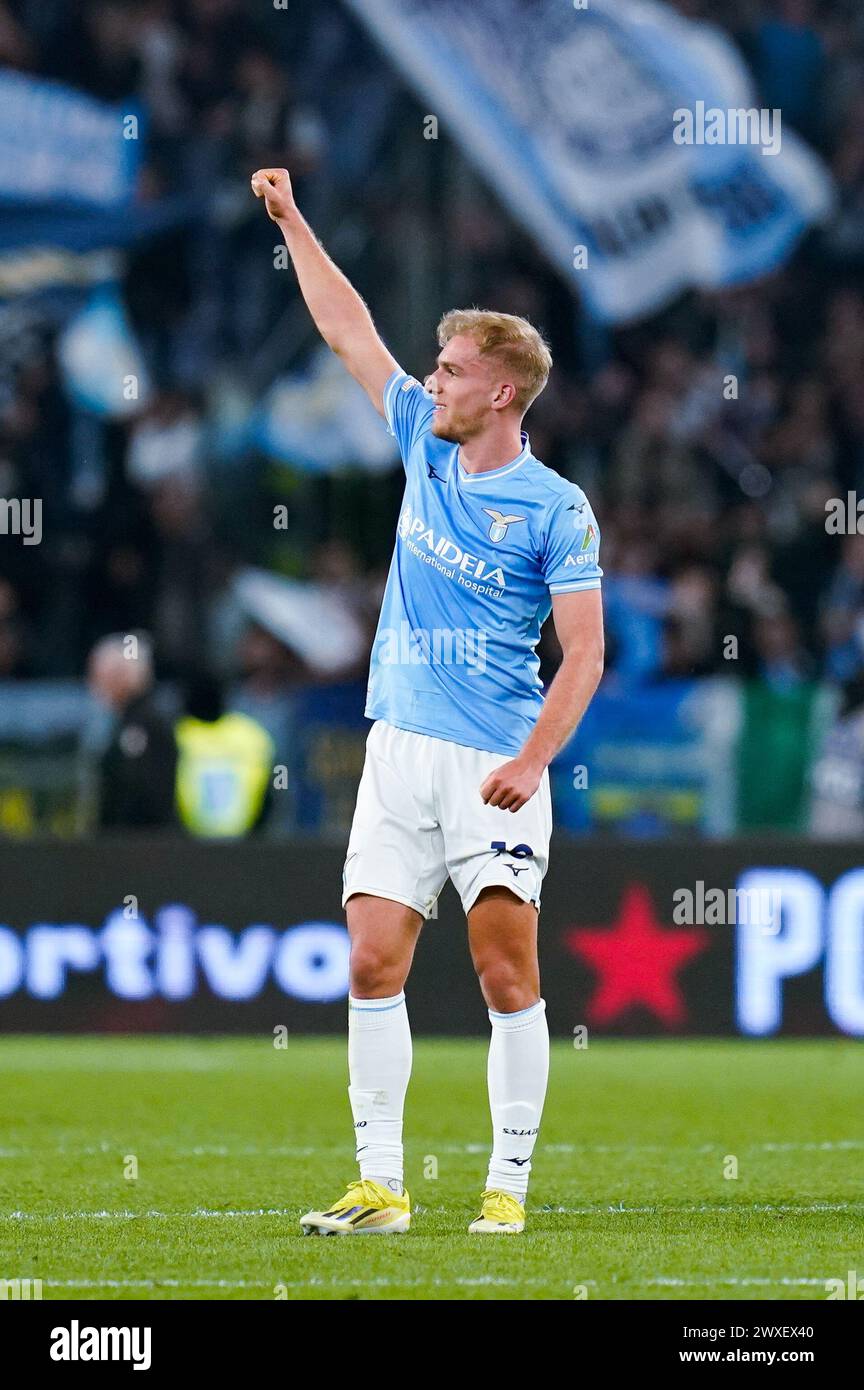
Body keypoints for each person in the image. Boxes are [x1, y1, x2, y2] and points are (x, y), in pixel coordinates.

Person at [252, 166, 604, 1235]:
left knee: (505, 973)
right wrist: (293, 219)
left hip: (493, 760)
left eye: (451, 371)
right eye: (437, 368)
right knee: (369, 956)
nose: (432, 381)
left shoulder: (556, 507)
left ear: (502, 392)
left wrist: (536, 760)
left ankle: (507, 1186)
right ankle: (381, 1186)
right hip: (396, 746)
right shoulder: (422, 441)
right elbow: (349, 327)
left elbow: (584, 653)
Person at [86, 632, 177, 830]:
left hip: (139, 848)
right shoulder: (132, 721)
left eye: (97, 675)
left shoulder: (144, 725)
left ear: (120, 676)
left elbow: (139, 793)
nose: (93, 686)